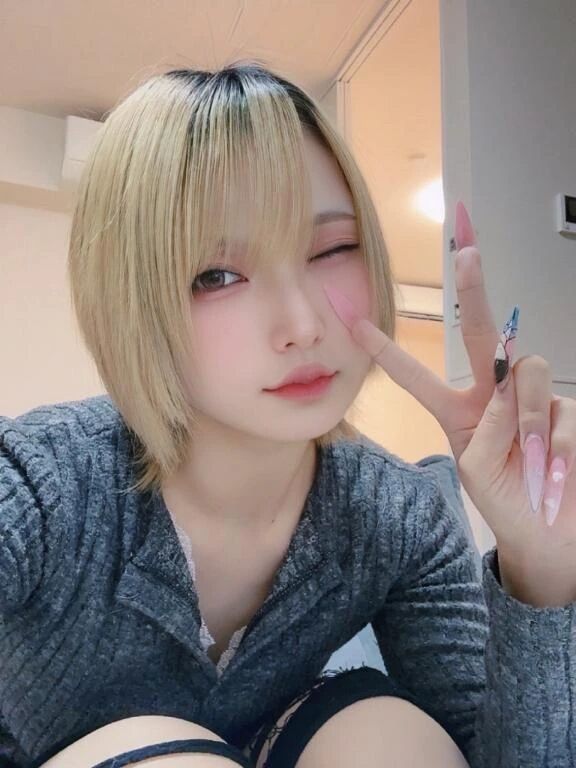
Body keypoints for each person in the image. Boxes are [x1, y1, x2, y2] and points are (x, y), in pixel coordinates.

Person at [0, 61, 574, 768]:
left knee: (390, 738)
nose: (303, 325)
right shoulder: (39, 484)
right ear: (131, 298)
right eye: (217, 275)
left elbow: (494, 754)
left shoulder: (397, 515)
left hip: (287, 743)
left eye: (332, 249)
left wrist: (539, 568)